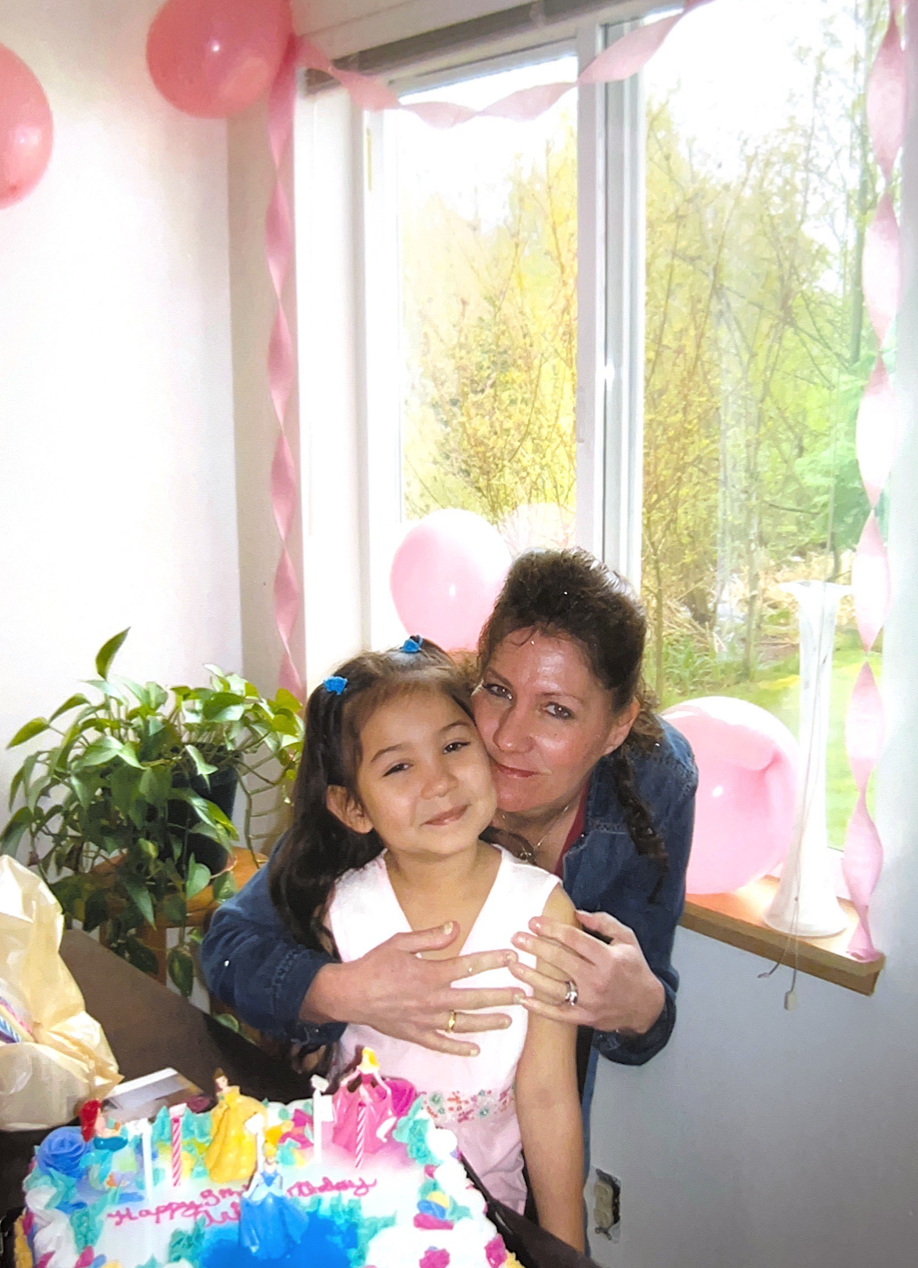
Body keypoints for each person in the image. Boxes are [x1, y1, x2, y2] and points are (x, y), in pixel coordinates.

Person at [203, 550, 696, 1082]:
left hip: (521, 1123)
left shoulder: (653, 781)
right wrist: (346, 991)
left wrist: (639, 1005)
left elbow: (638, 1025)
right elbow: (230, 952)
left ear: (618, 726)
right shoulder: (417, 753)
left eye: (556, 710)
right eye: (499, 690)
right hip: (357, 1129)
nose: (506, 737)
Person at [262, 640, 583, 1248]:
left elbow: (546, 1096)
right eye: (398, 766)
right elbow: (319, 1068)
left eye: (455, 746)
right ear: (353, 807)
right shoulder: (341, 909)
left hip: (483, 1219)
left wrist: (565, 1248)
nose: (438, 781)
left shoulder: (544, 909)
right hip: (358, 1211)